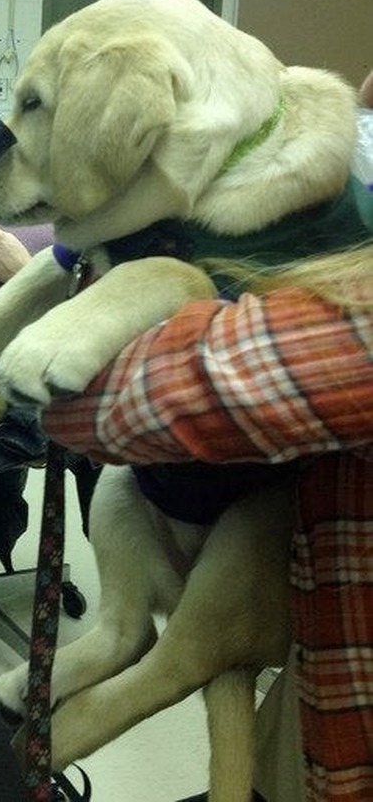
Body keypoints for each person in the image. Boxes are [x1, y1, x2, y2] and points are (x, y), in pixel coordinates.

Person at [39, 244, 373, 802]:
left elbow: (88, 407)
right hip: (323, 668)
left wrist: (86, 302)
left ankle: (56, 738)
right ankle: (118, 639)